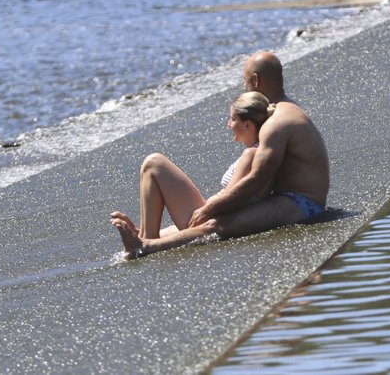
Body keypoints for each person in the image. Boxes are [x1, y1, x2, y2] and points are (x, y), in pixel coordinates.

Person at [110, 51, 330, 258]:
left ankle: (145, 247)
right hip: (290, 197)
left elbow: (257, 178)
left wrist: (210, 207)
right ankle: (146, 238)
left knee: (218, 224)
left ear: (255, 81)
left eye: (244, 84)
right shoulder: (285, 109)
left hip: (302, 203)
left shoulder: (276, 123)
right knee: (207, 219)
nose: (245, 90)